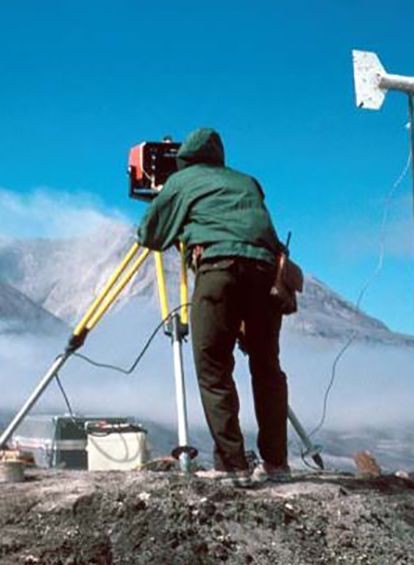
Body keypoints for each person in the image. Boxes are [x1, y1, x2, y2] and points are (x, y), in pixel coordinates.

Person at [137, 127, 290, 484]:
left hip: (220, 270)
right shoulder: (247, 182)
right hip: (267, 274)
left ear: (184, 160)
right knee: (267, 366)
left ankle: (233, 465)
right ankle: (277, 464)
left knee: (213, 365)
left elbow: (149, 236)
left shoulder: (182, 181)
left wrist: (168, 203)